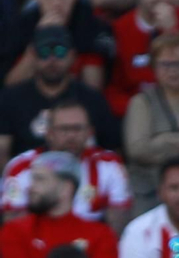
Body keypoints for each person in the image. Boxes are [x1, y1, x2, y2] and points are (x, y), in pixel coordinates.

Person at [1, 99, 133, 232]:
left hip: (91, 245)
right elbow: (14, 226)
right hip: (38, 244)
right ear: (49, 133)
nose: (71, 136)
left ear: (89, 132)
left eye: (77, 129)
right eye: (64, 129)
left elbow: (118, 224)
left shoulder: (109, 164)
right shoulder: (22, 167)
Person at [121, 31, 179, 214]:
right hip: (149, 189)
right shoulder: (141, 102)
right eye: (166, 64)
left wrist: (162, 141)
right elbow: (138, 149)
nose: (173, 70)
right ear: (154, 68)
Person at [0, 26, 120, 162]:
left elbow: (111, 151)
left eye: (60, 51)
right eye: (44, 52)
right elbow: (2, 154)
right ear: (33, 56)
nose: (52, 59)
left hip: (83, 177)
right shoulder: (11, 99)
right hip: (26, 177)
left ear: (72, 56)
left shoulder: (93, 99)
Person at [0, 0, 115, 96]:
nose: (57, 3)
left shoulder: (91, 24)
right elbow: (9, 87)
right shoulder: (21, 26)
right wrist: (40, 40)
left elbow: (93, 91)